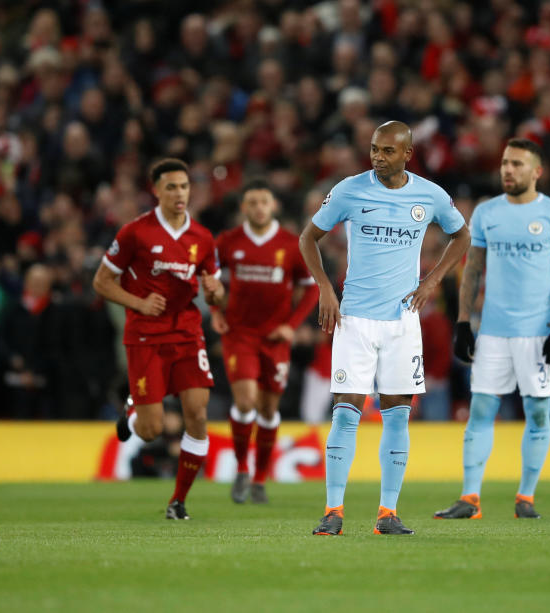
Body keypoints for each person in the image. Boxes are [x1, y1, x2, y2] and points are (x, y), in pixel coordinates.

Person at [299, 121, 470, 536]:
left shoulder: (429, 195)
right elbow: (308, 238)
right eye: (374, 149)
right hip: (354, 318)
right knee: (346, 413)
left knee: (397, 415)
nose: (378, 156)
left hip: (402, 322)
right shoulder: (349, 190)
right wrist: (324, 287)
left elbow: (462, 235)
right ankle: (333, 511)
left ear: (408, 154)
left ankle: (387, 514)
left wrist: (431, 281)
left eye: (388, 151)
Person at [435, 138, 550, 520]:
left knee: (538, 413)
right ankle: (469, 498)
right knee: (480, 408)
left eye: (516, 164)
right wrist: (464, 322)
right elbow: (473, 271)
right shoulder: (485, 213)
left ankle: (526, 497)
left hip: (539, 329)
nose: (508, 170)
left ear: (537, 172)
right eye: (504, 163)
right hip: (494, 330)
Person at [92, 158, 224, 520]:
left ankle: (178, 501)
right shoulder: (135, 232)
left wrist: (214, 292)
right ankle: (133, 407)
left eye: (184, 186)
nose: (179, 193)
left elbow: (215, 293)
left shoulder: (202, 237)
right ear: (156, 190)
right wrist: (139, 303)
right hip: (146, 336)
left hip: (187, 333)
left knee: (196, 414)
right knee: (151, 430)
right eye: (171, 187)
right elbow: (101, 282)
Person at [212, 179, 319, 504]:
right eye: (252, 202)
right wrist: (216, 309)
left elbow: (312, 288)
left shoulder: (290, 244)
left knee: (269, 409)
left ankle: (260, 478)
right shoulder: (229, 242)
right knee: (245, 402)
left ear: (274, 206)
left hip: (274, 338)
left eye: (264, 202)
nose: (258, 207)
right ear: (244, 208)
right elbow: (210, 277)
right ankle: (242, 469)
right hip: (240, 334)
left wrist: (290, 326)